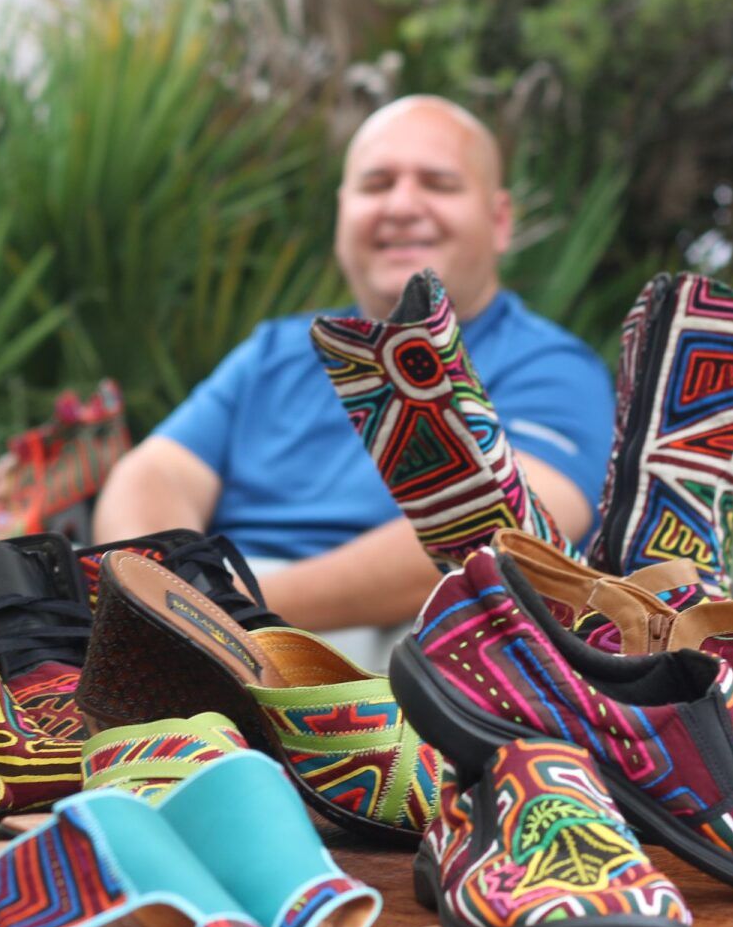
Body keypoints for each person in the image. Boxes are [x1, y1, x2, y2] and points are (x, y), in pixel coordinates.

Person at [92, 96, 614, 633]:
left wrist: (228, 612)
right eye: (376, 184)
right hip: (199, 616)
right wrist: (159, 595)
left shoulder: (554, 370)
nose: (401, 205)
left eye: (438, 183)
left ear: (499, 220)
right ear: (343, 210)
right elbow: (154, 474)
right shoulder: (274, 352)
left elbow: (508, 542)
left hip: (391, 649)